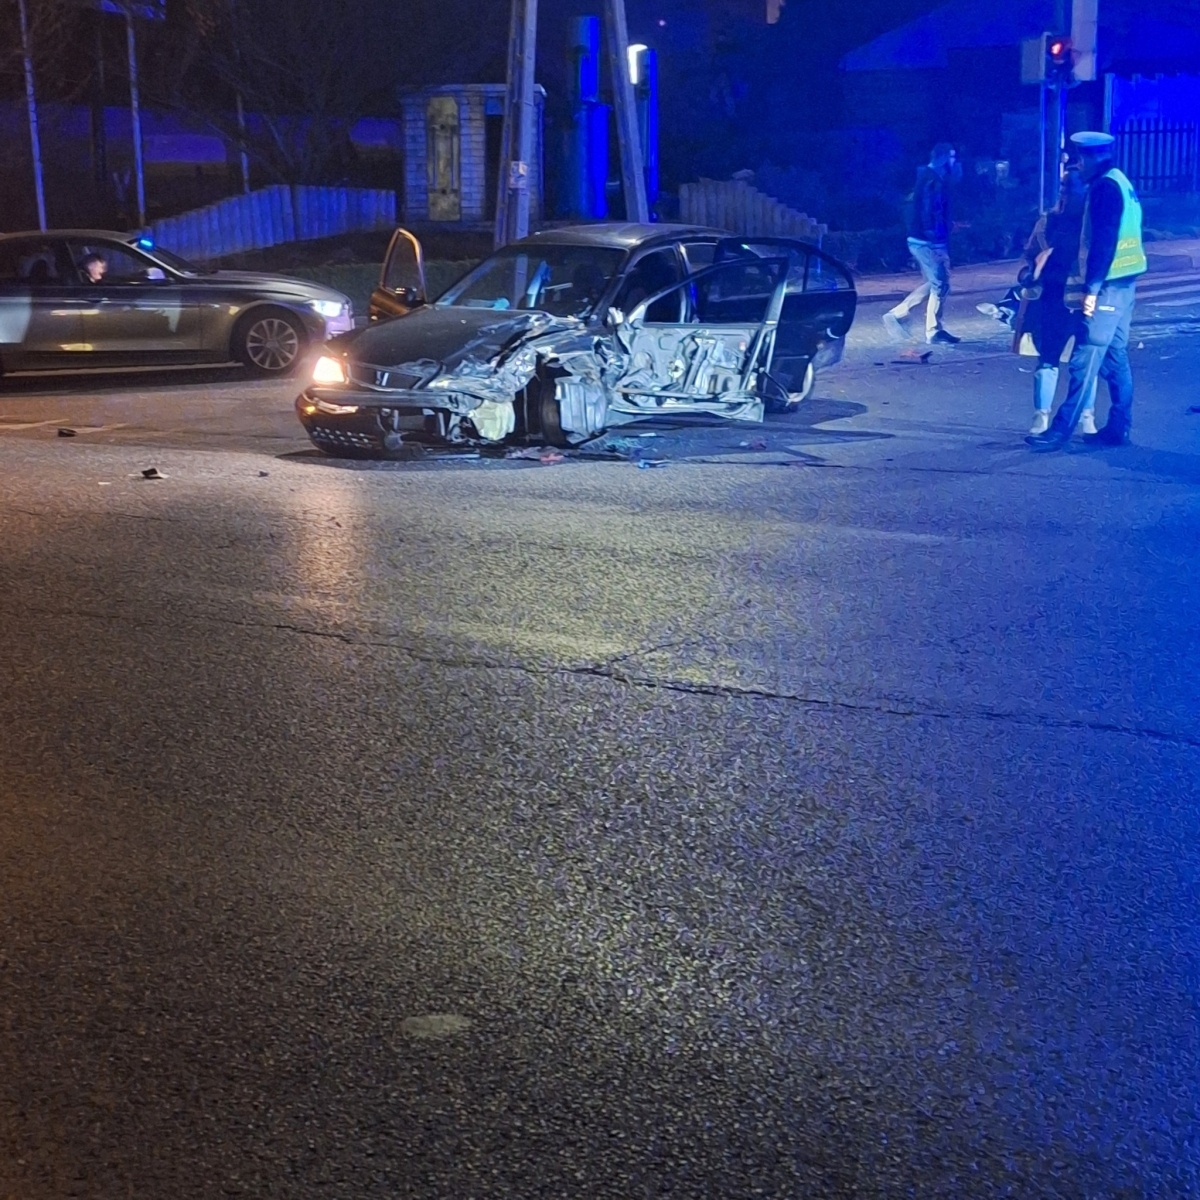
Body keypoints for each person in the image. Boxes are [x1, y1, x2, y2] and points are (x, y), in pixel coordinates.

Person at [1026, 131, 1147, 450]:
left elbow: (1103, 241)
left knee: (1085, 357)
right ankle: (1118, 428)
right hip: (1125, 281)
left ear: (1091, 157)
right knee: (1115, 357)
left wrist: (1091, 289)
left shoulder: (1104, 187)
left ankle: (1059, 432)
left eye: (1079, 160)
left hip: (1107, 285)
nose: (1078, 166)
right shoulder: (1121, 180)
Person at [1015, 166, 1097, 435]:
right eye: (1062, 186)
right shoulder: (1048, 221)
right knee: (1047, 357)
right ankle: (1041, 416)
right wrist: (1031, 272)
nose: (1064, 192)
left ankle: (1087, 417)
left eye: (1070, 187)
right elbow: (1030, 256)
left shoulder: (1092, 224)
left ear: (1085, 189)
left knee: (1084, 363)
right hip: (1050, 299)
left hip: (1083, 302)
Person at [883, 143, 963, 346]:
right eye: (951, 156)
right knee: (940, 284)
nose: (954, 161)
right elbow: (930, 208)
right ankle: (930, 329)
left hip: (922, 239)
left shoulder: (927, 176)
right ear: (943, 158)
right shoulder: (932, 180)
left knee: (935, 283)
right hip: (928, 241)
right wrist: (934, 234)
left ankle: (903, 315)